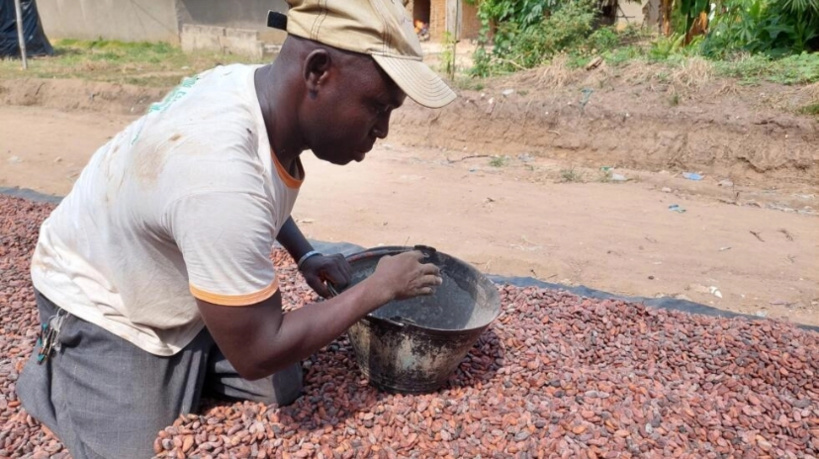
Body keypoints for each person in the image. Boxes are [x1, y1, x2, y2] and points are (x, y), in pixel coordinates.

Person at [17, 0, 457, 457]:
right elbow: (256, 351)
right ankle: (58, 372)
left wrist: (304, 253)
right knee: (133, 449)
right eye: (378, 106)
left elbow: (256, 189)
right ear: (318, 72)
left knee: (281, 384)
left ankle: (203, 341)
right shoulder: (217, 175)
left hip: (172, 271)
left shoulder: (251, 91)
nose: (383, 129)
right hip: (105, 298)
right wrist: (377, 289)